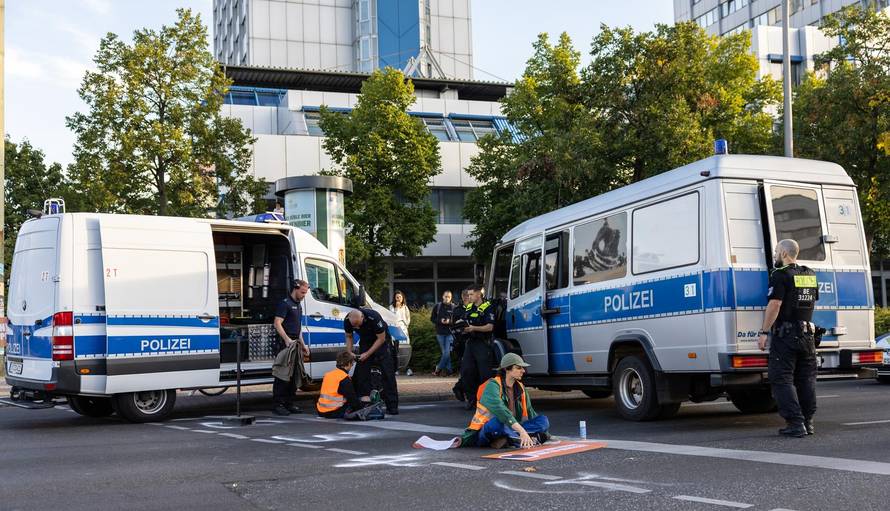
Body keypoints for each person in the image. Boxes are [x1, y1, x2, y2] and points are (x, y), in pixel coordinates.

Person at [758, 239, 819, 438]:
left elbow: (774, 305)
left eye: (776, 251)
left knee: (781, 378)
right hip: (808, 335)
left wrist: (764, 332)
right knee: (805, 379)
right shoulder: (809, 274)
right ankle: (808, 422)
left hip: (787, 335)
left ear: (784, 253)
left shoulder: (780, 275)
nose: (775, 255)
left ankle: (795, 423)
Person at [459, 353, 550, 448]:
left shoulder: (521, 388)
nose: (523, 371)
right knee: (498, 422)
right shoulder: (492, 385)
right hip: (488, 429)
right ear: (507, 369)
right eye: (519, 368)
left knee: (543, 421)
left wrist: (546, 433)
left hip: (512, 427)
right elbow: (501, 411)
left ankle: (510, 439)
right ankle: (524, 439)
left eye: (522, 368)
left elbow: (531, 413)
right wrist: (522, 431)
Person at [344, 308, 399, 415]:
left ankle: (392, 406)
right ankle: (362, 403)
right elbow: (349, 336)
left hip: (381, 341)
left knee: (387, 372)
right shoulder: (347, 320)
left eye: (358, 324)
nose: (357, 327)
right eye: (354, 326)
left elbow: (381, 339)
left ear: (363, 318)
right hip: (365, 340)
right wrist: (349, 352)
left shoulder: (373, 317)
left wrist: (367, 354)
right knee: (361, 372)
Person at [271, 279, 311, 415]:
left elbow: (298, 328)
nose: (304, 295)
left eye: (305, 293)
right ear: (296, 288)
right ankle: (278, 404)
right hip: (285, 343)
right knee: (282, 375)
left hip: (296, 343)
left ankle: (289, 403)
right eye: (302, 292)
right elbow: (277, 323)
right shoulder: (285, 304)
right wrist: (287, 340)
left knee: (294, 375)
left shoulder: (298, 305)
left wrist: (303, 345)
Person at [460, 284, 495, 411]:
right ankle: (472, 399)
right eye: (468, 294)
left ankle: (486, 401)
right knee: (467, 371)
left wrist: (474, 328)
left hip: (483, 343)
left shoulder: (487, 307)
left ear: (478, 294)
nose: (468, 297)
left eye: (471, 294)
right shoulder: (469, 307)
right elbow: (465, 322)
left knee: (484, 374)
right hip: (470, 343)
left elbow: (490, 327)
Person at [316, 351, 365, 419]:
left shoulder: (328, 375)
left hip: (321, 411)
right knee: (355, 402)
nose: (351, 367)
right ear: (348, 364)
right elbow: (352, 400)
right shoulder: (344, 378)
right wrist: (362, 407)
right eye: (352, 365)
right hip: (334, 412)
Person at [451, 288, 472, 402]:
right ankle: (460, 389)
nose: (466, 297)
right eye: (465, 295)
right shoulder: (458, 310)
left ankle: (460, 388)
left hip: (471, 340)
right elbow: (454, 325)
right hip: (461, 342)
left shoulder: (474, 308)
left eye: (468, 295)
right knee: (465, 369)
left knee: (469, 369)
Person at [431, 290, 457, 376]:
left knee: (446, 352)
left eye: (449, 297)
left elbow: (457, 320)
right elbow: (432, 319)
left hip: (450, 333)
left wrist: (450, 321)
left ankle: (438, 369)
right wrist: (440, 321)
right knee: (445, 353)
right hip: (440, 333)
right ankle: (449, 370)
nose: (447, 298)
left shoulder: (454, 307)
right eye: (446, 296)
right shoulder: (437, 306)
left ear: (451, 298)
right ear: (443, 296)